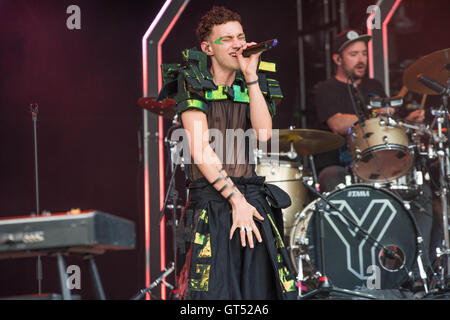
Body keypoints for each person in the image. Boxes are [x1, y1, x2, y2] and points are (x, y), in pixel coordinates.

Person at [157, 6, 297, 300]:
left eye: (241, 36)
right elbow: (199, 149)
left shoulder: (255, 82)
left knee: (260, 294)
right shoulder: (191, 81)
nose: (237, 44)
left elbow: (263, 136)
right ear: (207, 47)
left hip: (253, 199)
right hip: (213, 202)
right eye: (227, 39)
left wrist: (251, 76)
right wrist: (236, 201)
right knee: (215, 294)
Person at [313, 28, 440, 293]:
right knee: (330, 178)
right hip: (341, 166)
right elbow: (337, 123)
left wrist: (407, 120)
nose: (361, 59)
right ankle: (340, 275)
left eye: (363, 54)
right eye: (353, 54)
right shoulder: (326, 88)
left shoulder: (373, 87)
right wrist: (376, 111)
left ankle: (418, 273)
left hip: (381, 168)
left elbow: (388, 125)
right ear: (338, 59)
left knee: (423, 193)